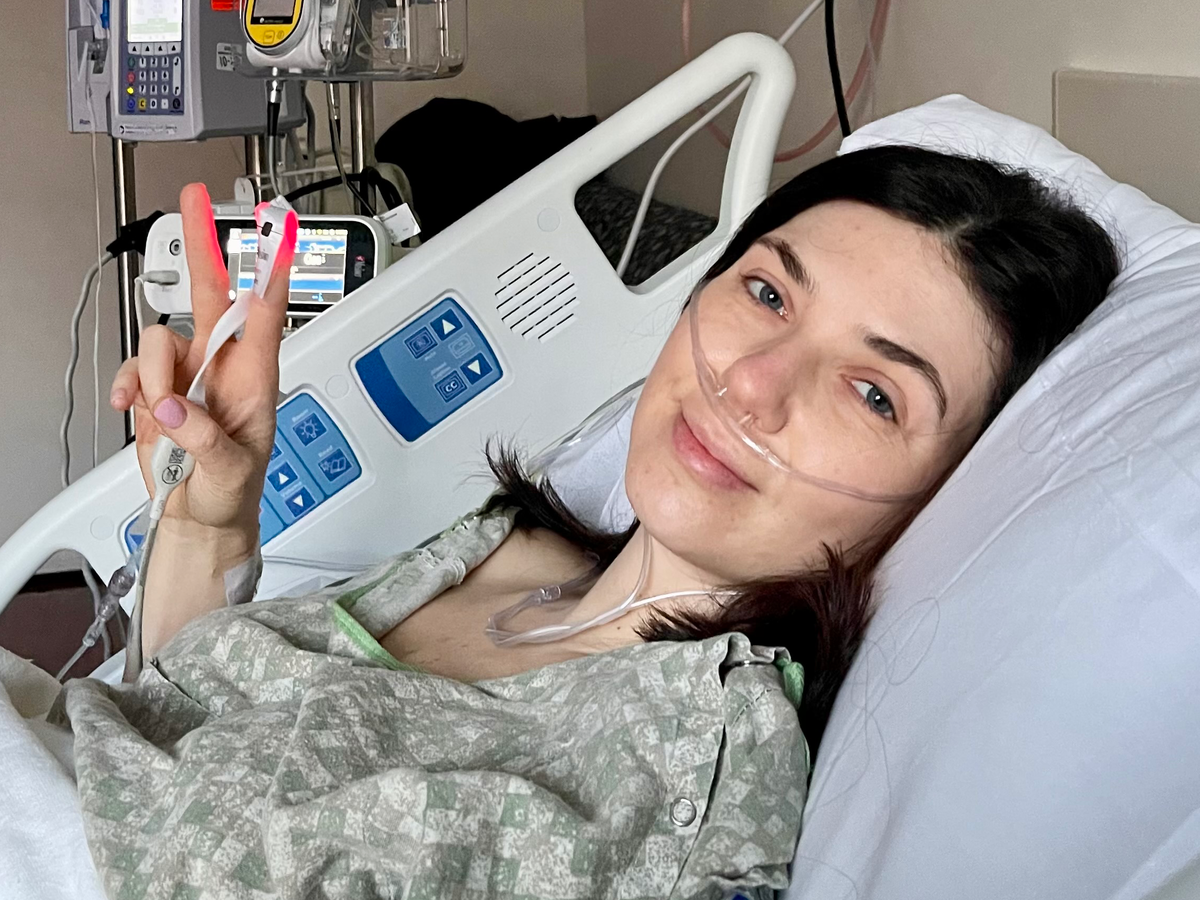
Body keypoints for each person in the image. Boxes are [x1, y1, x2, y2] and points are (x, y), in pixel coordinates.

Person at [57, 146, 1119, 899]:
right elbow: (175, 738)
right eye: (766, 293)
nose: (752, 383)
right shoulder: (505, 545)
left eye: (875, 393)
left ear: (947, 493)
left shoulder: (706, 771)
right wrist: (208, 519)